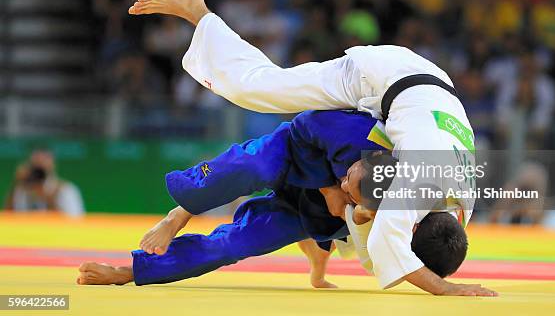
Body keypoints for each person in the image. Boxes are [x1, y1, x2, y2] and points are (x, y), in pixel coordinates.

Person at [127, 0, 490, 296]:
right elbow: (383, 245)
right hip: (378, 78)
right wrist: (447, 289)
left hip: (422, 87)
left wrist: (362, 216)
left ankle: (318, 249)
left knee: (358, 210)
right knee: (255, 90)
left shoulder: (457, 213)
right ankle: (198, 10)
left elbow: (380, 242)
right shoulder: (419, 185)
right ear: (415, 225)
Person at [77, 110, 494, 296]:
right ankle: (180, 211)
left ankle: (130, 271)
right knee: (250, 168)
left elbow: (362, 247)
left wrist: (345, 225)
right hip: (294, 154)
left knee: (233, 246)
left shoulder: (405, 234)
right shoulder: (383, 150)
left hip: (305, 214)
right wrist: (333, 186)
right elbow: (308, 123)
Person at [5, 149, 85, 217]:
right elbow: (7, 218)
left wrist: (48, 197)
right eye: (35, 166)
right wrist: (16, 183)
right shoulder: (21, 190)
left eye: (42, 167)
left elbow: (76, 223)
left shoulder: (66, 190)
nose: (38, 172)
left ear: (52, 166)